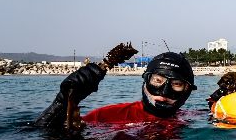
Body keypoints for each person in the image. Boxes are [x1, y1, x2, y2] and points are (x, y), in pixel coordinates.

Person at [36, 52, 197, 129]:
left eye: (176, 84)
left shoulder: (195, 117)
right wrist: (62, 102)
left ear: (187, 91)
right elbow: (41, 139)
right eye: (157, 80)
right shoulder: (105, 116)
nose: (164, 92)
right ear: (145, 80)